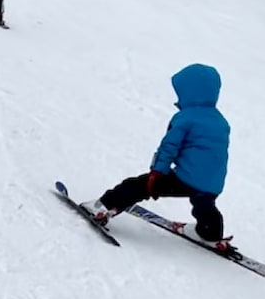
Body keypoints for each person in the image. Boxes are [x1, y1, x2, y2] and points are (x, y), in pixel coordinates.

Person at [85, 63, 231, 243]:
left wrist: (157, 171)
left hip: (187, 178)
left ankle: (103, 206)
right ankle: (209, 232)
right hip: (214, 182)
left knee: (140, 186)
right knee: (204, 204)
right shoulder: (221, 122)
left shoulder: (186, 118)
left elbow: (170, 145)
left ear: (190, 92)